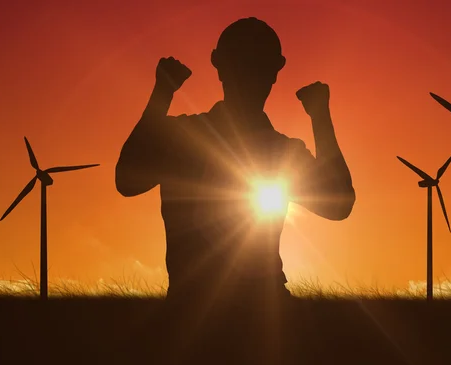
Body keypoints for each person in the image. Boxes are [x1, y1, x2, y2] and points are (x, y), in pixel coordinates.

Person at [115, 17, 355, 302]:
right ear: (277, 70)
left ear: (217, 64)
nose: (250, 75)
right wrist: (319, 116)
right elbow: (339, 203)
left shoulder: (183, 137)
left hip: (189, 316)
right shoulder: (282, 152)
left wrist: (163, 92)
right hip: (264, 316)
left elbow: (127, 180)